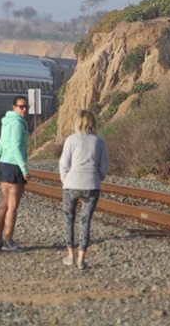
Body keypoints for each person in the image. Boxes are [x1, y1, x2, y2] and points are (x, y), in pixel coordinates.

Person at [59, 110, 109, 270]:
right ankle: (81, 259)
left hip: (71, 184)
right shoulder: (99, 142)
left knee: (69, 219)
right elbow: (104, 168)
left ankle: (70, 255)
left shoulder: (71, 140)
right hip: (92, 185)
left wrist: (65, 180)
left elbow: (64, 164)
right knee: (85, 221)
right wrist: (97, 177)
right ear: (93, 122)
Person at [0, 96, 30, 251]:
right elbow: (16, 147)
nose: (24, 109)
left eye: (27, 107)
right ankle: (9, 241)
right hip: (14, 166)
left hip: (4, 165)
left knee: (4, 205)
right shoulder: (18, 124)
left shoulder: (6, 122)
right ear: (14, 107)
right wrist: (24, 169)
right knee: (12, 207)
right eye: (21, 107)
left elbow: (0, 144)